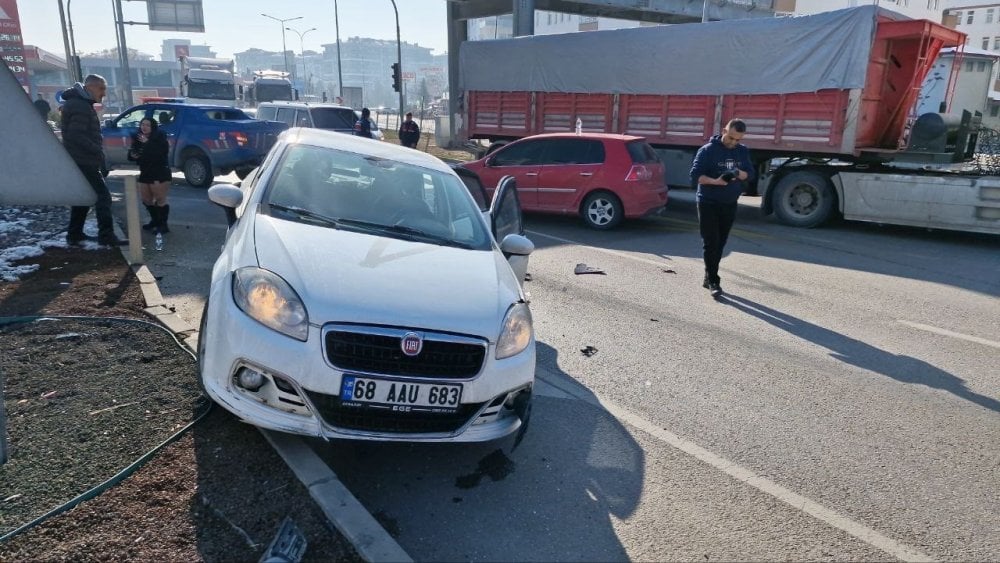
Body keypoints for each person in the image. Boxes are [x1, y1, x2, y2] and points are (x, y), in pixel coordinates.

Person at [59, 74, 126, 246]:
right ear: (90, 87)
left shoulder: (79, 103)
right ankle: (106, 235)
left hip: (81, 159)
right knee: (103, 197)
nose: (103, 93)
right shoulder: (80, 105)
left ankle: (74, 234)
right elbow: (75, 135)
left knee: (84, 196)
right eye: (101, 88)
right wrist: (97, 151)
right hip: (84, 159)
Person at [689, 118, 753, 298]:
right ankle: (714, 281)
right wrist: (715, 181)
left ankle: (707, 276)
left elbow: (751, 174)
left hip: (729, 203)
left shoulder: (742, 152)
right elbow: (695, 176)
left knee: (721, 243)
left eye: (737, 140)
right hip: (708, 202)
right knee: (711, 243)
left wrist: (740, 174)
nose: (733, 142)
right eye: (730, 137)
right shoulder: (707, 151)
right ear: (724, 130)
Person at [128, 117, 172, 234]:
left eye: (147, 125)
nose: (144, 127)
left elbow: (160, 154)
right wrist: (133, 155)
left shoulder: (160, 137)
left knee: (160, 198)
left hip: (160, 172)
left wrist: (147, 143)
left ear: (153, 127)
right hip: (145, 171)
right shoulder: (138, 138)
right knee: (146, 199)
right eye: (142, 124)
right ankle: (155, 220)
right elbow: (131, 154)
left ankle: (163, 225)